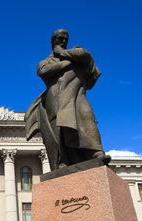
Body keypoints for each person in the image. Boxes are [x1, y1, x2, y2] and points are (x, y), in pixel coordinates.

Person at [25, 29, 107, 170]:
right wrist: (70, 62)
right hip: (55, 98)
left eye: (65, 38)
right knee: (58, 131)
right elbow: (44, 71)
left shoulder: (76, 54)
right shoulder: (45, 62)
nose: (63, 41)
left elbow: (88, 61)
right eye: (59, 38)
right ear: (53, 42)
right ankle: (61, 161)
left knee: (87, 118)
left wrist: (69, 56)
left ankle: (96, 152)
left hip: (76, 96)